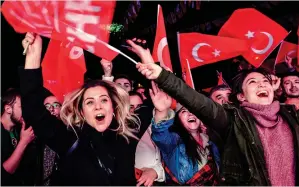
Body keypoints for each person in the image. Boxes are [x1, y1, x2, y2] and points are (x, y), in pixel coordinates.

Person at [127, 39, 299, 186]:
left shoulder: (292, 116)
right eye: (253, 82)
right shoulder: (234, 122)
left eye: (265, 81)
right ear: (240, 96)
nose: (262, 84)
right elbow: (196, 102)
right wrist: (161, 75)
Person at [19, 32, 150, 185]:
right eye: (89, 102)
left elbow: (158, 98)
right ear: (81, 112)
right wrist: (32, 59)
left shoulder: (129, 133)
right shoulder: (69, 138)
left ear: (113, 107)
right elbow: (33, 110)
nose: (98, 106)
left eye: (104, 100)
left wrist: (147, 59)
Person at [149, 82, 220, 185]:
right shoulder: (174, 142)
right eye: (184, 111)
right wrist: (162, 111)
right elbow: (160, 136)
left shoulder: (211, 142)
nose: (190, 113)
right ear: (178, 119)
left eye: (194, 111)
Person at [1, 88, 39, 185]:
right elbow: (4, 173)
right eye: (21, 106)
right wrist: (24, 142)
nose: (25, 110)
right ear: (8, 109)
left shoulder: (17, 129)